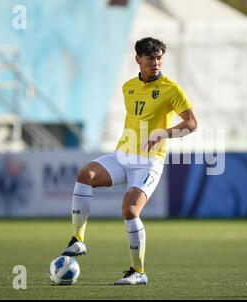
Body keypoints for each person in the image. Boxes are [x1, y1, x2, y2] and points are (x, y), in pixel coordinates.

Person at [61, 37, 198, 285]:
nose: (156, 63)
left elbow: (191, 124)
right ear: (138, 59)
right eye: (150, 58)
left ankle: (138, 271)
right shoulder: (128, 87)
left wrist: (164, 133)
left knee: (130, 210)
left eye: (159, 58)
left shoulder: (172, 89)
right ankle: (78, 240)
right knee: (85, 176)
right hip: (122, 156)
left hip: (148, 162)